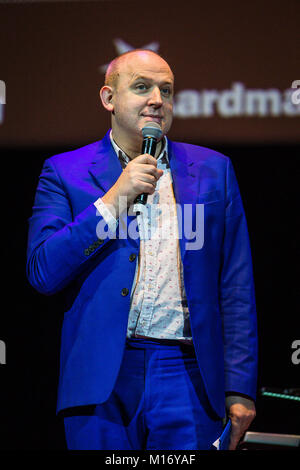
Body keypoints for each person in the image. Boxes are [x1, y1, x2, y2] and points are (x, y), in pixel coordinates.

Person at [26, 49, 258, 450]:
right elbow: (43, 271)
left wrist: (240, 387)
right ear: (108, 98)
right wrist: (114, 198)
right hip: (102, 374)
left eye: (166, 90)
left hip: (188, 372)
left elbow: (236, 285)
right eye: (141, 87)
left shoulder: (214, 170)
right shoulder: (64, 172)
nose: (157, 99)